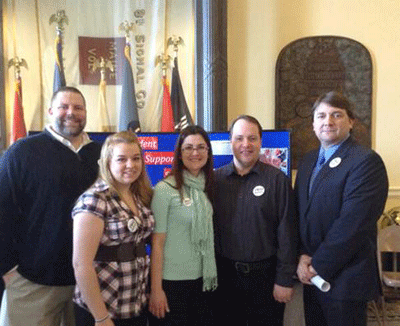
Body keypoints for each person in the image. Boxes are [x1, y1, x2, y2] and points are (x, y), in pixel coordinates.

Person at [0, 86, 101, 325]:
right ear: (50, 111)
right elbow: (2, 212)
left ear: (86, 113)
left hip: (89, 283)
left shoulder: (101, 154)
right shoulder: (21, 152)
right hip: (33, 282)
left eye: (78, 108)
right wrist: (8, 269)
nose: (71, 112)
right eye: (63, 106)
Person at [295, 91, 389, 326]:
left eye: (337, 115)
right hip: (311, 277)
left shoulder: (365, 161)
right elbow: (300, 214)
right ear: (313, 123)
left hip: (345, 281)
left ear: (351, 121)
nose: (328, 121)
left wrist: (317, 265)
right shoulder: (307, 161)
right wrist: (302, 257)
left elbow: (353, 224)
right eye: (321, 115)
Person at [213, 115, 297, 325]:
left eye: (252, 138)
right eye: (239, 138)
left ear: (260, 142)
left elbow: (288, 232)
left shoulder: (278, 180)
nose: (245, 145)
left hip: (266, 280)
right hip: (225, 279)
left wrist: (284, 280)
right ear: (230, 141)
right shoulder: (215, 181)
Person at [72, 131, 154, 326]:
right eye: (121, 159)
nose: (130, 165)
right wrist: (101, 317)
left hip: (134, 306)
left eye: (135, 159)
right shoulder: (95, 200)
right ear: (108, 162)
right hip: (104, 311)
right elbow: (81, 264)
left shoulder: (140, 196)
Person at [149, 125, 217, 325]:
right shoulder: (164, 189)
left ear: (208, 152)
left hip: (203, 281)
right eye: (188, 147)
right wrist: (156, 290)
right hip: (171, 284)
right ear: (179, 153)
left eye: (200, 147)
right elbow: (157, 244)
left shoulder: (209, 187)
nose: (195, 153)